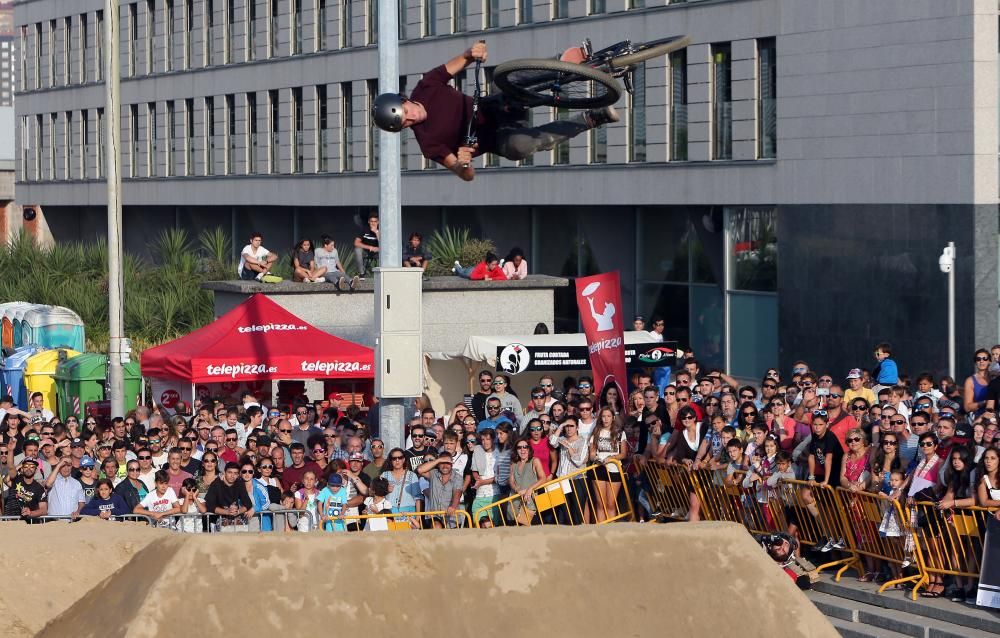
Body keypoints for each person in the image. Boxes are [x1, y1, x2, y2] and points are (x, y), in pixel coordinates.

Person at [370, 41, 619, 182]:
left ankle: (568, 64)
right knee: (519, 148)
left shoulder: (426, 87)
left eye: (406, 111)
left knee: (511, 78)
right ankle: (591, 118)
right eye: (405, 123)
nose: (412, 118)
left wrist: (471, 53)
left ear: (404, 99)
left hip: (494, 107)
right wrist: (462, 164)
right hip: (498, 139)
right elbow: (465, 175)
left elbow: (458, 62)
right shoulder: (429, 144)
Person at [354, 212, 380, 277]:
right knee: (357, 250)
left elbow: (384, 244)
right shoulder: (365, 229)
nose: (373, 223)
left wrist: (376, 232)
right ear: (368, 222)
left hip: (379, 251)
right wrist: (370, 247)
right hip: (366, 250)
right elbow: (356, 243)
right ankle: (362, 273)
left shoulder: (381, 229)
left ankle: (383, 273)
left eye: (375, 221)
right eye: (371, 221)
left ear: (378, 222)